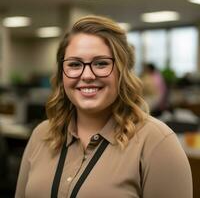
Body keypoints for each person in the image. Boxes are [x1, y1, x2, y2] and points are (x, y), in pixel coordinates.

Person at [15, 15, 192, 198]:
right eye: (75, 64)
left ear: (122, 72)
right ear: (62, 74)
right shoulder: (41, 135)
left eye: (101, 63)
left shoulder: (157, 142)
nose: (87, 75)